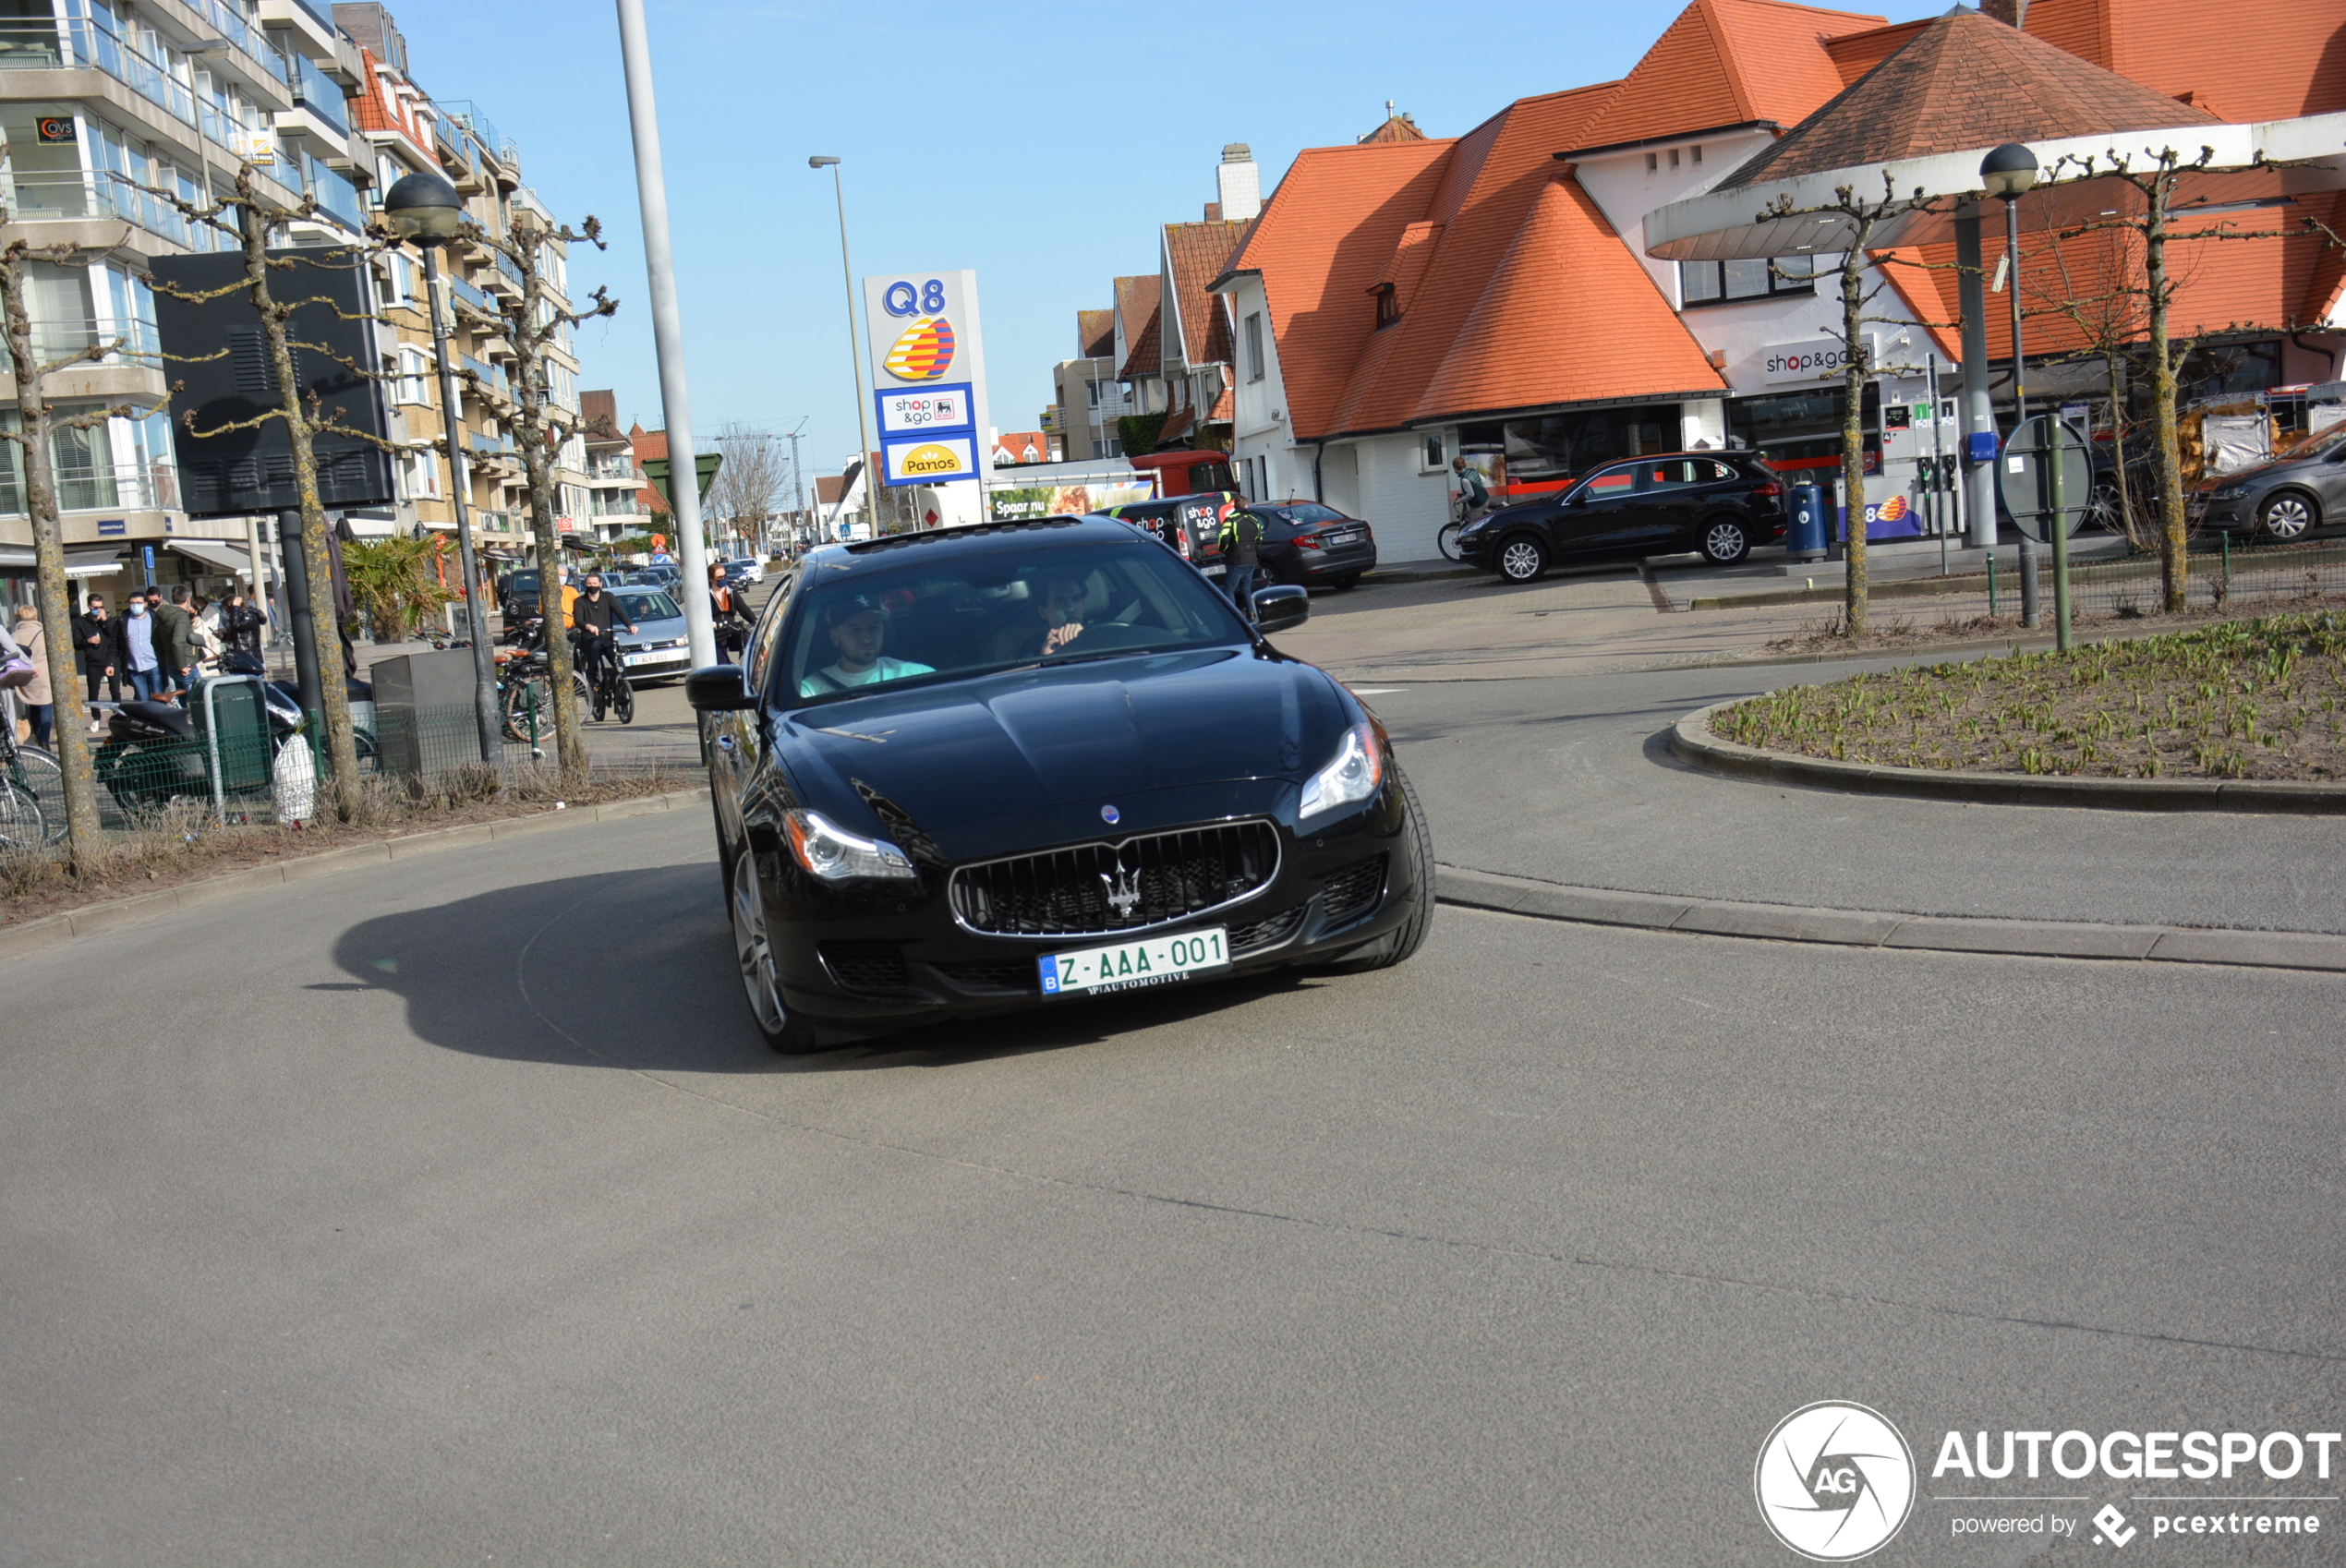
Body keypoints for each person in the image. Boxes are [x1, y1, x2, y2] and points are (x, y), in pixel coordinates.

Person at [799, 596, 933, 696]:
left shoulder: (917, 676)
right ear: (835, 637)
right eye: (855, 630)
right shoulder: (810, 692)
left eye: (873, 628)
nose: (866, 639)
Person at [984, 575, 1091, 664]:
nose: (1071, 608)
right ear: (1043, 613)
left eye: (1076, 599)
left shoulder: (1103, 635)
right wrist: (1046, 660)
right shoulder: (1032, 650)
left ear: (1084, 605)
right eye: (1061, 601)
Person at [565, 572, 636, 692]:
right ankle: (592, 676)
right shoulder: (580, 601)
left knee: (617, 659)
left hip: (607, 638)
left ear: (600, 584)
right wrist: (588, 626)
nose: (592, 586)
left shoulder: (608, 597)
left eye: (594, 583)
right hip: (590, 638)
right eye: (589, 583)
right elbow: (578, 620)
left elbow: (620, 612)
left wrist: (630, 625)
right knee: (595, 645)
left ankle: (622, 686)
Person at [72, 594, 123, 716]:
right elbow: (76, 644)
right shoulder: (81, 622)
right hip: (93, 661)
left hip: (111, 660)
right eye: (95, 607)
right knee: (93, 693)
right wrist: (88, 641)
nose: (98, 610)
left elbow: (116, 636)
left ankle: (118, 715)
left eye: (101, 607)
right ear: (89, 606)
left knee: (115, 691)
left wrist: (105, 620)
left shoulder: (110, 621)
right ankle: (96, 717)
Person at [10, 604, 51, 748]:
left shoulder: (14, 636)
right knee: (45, 707)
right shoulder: (43, 633)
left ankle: (38, 735)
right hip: (44, 674)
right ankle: (44, 740)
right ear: (36, 616)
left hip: (25, 675)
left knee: (33, 706)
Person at [151, 585, 200, 701]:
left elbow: (155, 640)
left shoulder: (165, 615)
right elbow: (177, 642)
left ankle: (184, 718)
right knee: (199, 700)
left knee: (183, 701)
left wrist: (167, 659)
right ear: (188, 600)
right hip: (185, 664)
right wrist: (181, 665)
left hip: (171, 664)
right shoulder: (181, 616)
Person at [1217, 506, 1262, 617]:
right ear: (1246, 506)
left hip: (1236, 560)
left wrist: (1224, 550)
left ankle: (1234, 616)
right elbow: (1259, 540)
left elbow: (1224, 537)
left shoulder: (1231, 520)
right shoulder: (1254, 520)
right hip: (1251, 560)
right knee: (1246, 589)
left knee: (1228, 590)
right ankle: (1251, 613)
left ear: (1235, 506)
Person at [122, 593, 162, 700]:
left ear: (145, 604)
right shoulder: (123, 620)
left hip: (154, 665)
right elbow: (116, 643)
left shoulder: (155, 619)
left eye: (139, 603)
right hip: (134, 668)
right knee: (143, 701)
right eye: (132, 603)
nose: (135, 606)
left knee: (159, 700)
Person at [709, 562, 748, 662]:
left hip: (731, 628)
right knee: (721, 656)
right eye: (719, 578)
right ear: (711, 579)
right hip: (717, 632)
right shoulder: (707, 596)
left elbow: (744, 609)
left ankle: (747, 667)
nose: (723, 579)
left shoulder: (731, 592)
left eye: (724, 576)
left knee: (748, 640)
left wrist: (756, 621)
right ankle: (727, 670)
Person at [220, 590, 266, 657]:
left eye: (228, 610)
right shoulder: (237, 616)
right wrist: (223, 636)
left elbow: (236, 625)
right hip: (241, 653)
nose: (228, 612)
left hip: (249, 654)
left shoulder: (248, 616)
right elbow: (238, 636)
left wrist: (235, 607)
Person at [1450, 455, 1490, 520]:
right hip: (1486, 498)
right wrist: (1478, 490)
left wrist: (1460, 500)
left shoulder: (1464, 479)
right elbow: (1483, 480)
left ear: (1455, 468)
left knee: (1474, 526)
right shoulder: (1472, 470)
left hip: (1479, 504)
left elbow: (1471, 494)